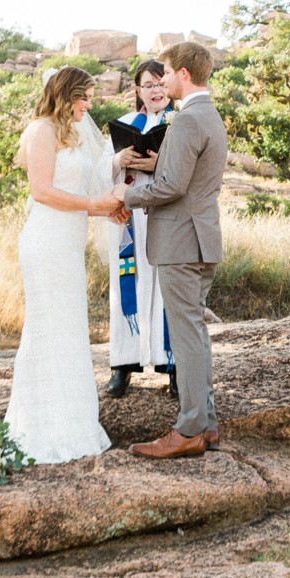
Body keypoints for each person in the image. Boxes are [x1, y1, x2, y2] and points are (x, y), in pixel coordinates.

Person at [0, 67, 129, 486]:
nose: (89, 106)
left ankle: (71, 423)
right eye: (84, 98)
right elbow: (42, 191)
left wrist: (110, 202)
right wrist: (96, 204)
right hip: (46, 241)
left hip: (68, 242)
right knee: (47, 327)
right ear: (66, 95)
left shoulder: (72, 132)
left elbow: (87, 184)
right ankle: (43, 427)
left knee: (69, 328)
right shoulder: (41, 131)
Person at [93, 41, 227, 460]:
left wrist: (124, 194)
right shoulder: (210, 115)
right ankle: (205, 423)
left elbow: (171, 186)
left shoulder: (187, 121)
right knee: (195, 334)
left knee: (187, 337)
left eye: (166, 72)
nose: (163, 79)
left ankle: (188, 428)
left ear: (183, 74)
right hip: (200, 238)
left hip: (180, 241)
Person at [103, 61, 173, 397]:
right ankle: (123, 366)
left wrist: (158, 163)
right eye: (149, 85)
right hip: (130, 222)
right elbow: (100, 172)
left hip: (167, 217)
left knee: (168, 290)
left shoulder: (181, 121)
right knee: (124, 291)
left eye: (161, 83)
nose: (156, 90)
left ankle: (172, 365)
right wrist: (119, 161)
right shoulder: (127, 124)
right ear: (138, 90)